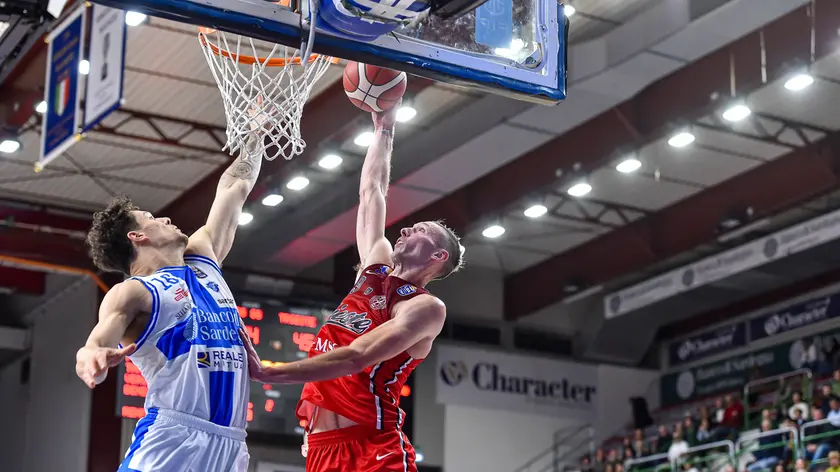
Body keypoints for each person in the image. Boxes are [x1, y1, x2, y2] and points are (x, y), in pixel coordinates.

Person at [242, 102, 464, 472]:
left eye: (422, 230)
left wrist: (270, 371)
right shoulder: (374, 268)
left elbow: (357, 356)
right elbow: (372, 191)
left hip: (372, 449)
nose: (407, 228)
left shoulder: (425, 308)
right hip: (322, 449)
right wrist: (384, 130)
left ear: (438, 256)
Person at [74, 103, 271, 471]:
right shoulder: (134, 292)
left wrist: (255, 136)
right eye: (153, 218)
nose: (165, 218)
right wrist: (92, 359)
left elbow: (234, 186)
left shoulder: (203, 255)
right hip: (174, 437)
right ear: (138, 237)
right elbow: (96, 341)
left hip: (230, 444)